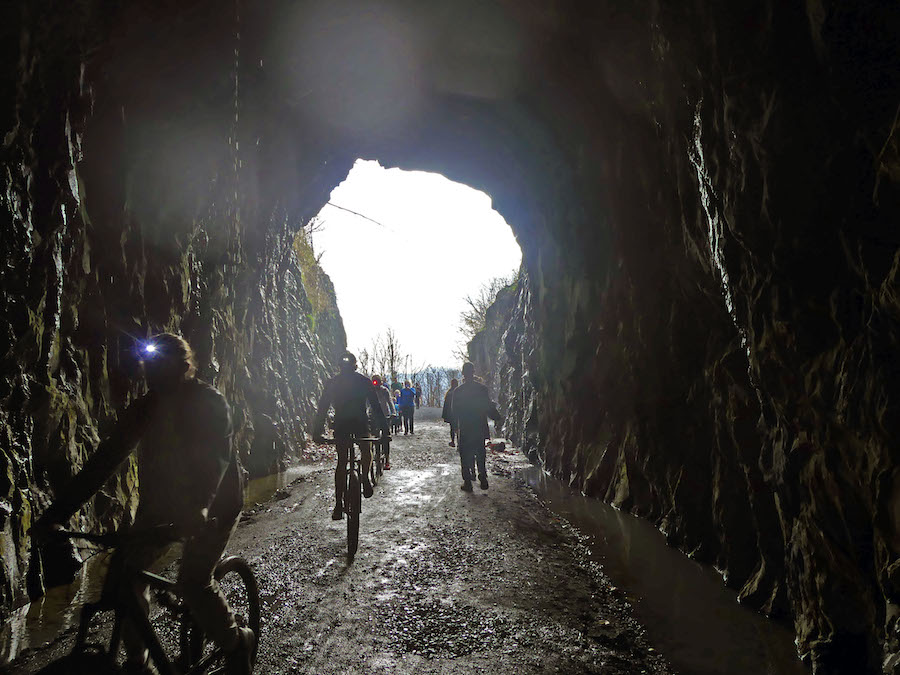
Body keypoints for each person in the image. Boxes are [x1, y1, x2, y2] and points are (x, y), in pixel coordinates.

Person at [31, 333, 253, 675]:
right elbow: (104, 461)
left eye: (158, 365)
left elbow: (215, 461)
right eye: (148, 366)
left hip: (215, 507)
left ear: (182, 367)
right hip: (162, 507)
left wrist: (200, 508)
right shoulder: (145, 409)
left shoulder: (210, 402)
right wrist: (56, 515)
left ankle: (237, 644)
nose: (151, 372)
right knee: (125, 578)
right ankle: (141, 664)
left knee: (194, 581)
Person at [312, 352, 386, 520]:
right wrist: (384, 431)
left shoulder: (333, 383)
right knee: (366, 450)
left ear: (339, 367)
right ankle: (365, 478)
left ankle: (338, 505)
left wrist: (317, 432)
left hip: (341, 426)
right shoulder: (364, 381)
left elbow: (322, 409)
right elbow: (376, 408)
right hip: (360, 424)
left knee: (342, 461)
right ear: (355, 366)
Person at [450, 362, 502, 492]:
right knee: (480, 453)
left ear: (463, 373)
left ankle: (467, 482)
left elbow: (454, 411)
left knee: (465, 455)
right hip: (479, 427)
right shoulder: (482, 389)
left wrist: (455, 427)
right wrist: (498, 417)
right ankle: (483, 478)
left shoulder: (458, 391)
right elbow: (488, 407)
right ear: (473, 372)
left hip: (466, 427)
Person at [371, 374, 395, 470]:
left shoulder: (384, 390)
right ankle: (372, 456)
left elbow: (389, 401)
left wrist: (393, 412)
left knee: (386, 437)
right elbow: (366, 402)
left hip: (385, 415)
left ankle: (387, 460)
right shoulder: (370, 390)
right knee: (372, 437)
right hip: (373, 416)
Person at [441, 378, 459, 447]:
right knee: (458, 428)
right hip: (458, 413)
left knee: (452, 428)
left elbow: (446, 405)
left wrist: (445, 415)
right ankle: (459, 443)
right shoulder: (459, 391)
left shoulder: (449, 393)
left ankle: (453, 441)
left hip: (451, 414)